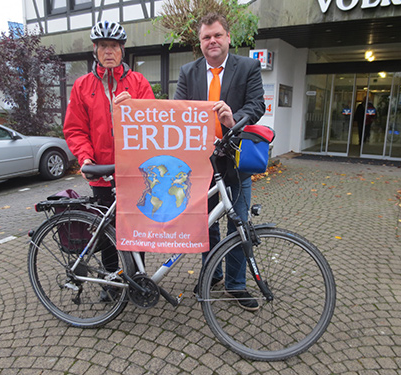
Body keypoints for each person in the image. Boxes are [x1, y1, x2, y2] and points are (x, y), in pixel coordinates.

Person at [174, 13, 265, 310]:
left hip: (236, 162)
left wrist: (235, 118)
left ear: (227, 37)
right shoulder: (188, 72)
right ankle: (212, 274)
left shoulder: (248, 67)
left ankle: (236, 284)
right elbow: (175, 112)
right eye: (206, 37)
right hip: (201, 165)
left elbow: (257, 104)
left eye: (217, 35)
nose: (212, 41)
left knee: (238, 223)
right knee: (207, 226)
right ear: (200, 43)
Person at [63, 21, 154, 287]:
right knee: (107, 232)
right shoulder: (83, 86)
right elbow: (76, 129)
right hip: (101, 172)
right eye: (103, 46)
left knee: (137, 229)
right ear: (95, 50)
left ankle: (137, 278)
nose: (109, 51)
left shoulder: (138, 82)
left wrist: (133, 108)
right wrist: (86, 158)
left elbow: (153, 122)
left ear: (122, 50)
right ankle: (111, 281)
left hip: (134, 172)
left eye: (114, 45)